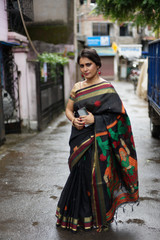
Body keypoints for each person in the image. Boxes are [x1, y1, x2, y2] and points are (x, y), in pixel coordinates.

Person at [56, 48, 139, 232]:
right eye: (82, 66)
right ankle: (76, 217)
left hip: (100, 142)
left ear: (97, 65)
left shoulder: (107, 88)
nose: (85, 69)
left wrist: (96, 120)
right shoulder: (77, 87)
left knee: (97, 179)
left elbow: (120, 117)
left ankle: (99, 217)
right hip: (80, 138)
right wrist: (73, 120)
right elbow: (68, 110)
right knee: (80, 176)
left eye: (88, 65)